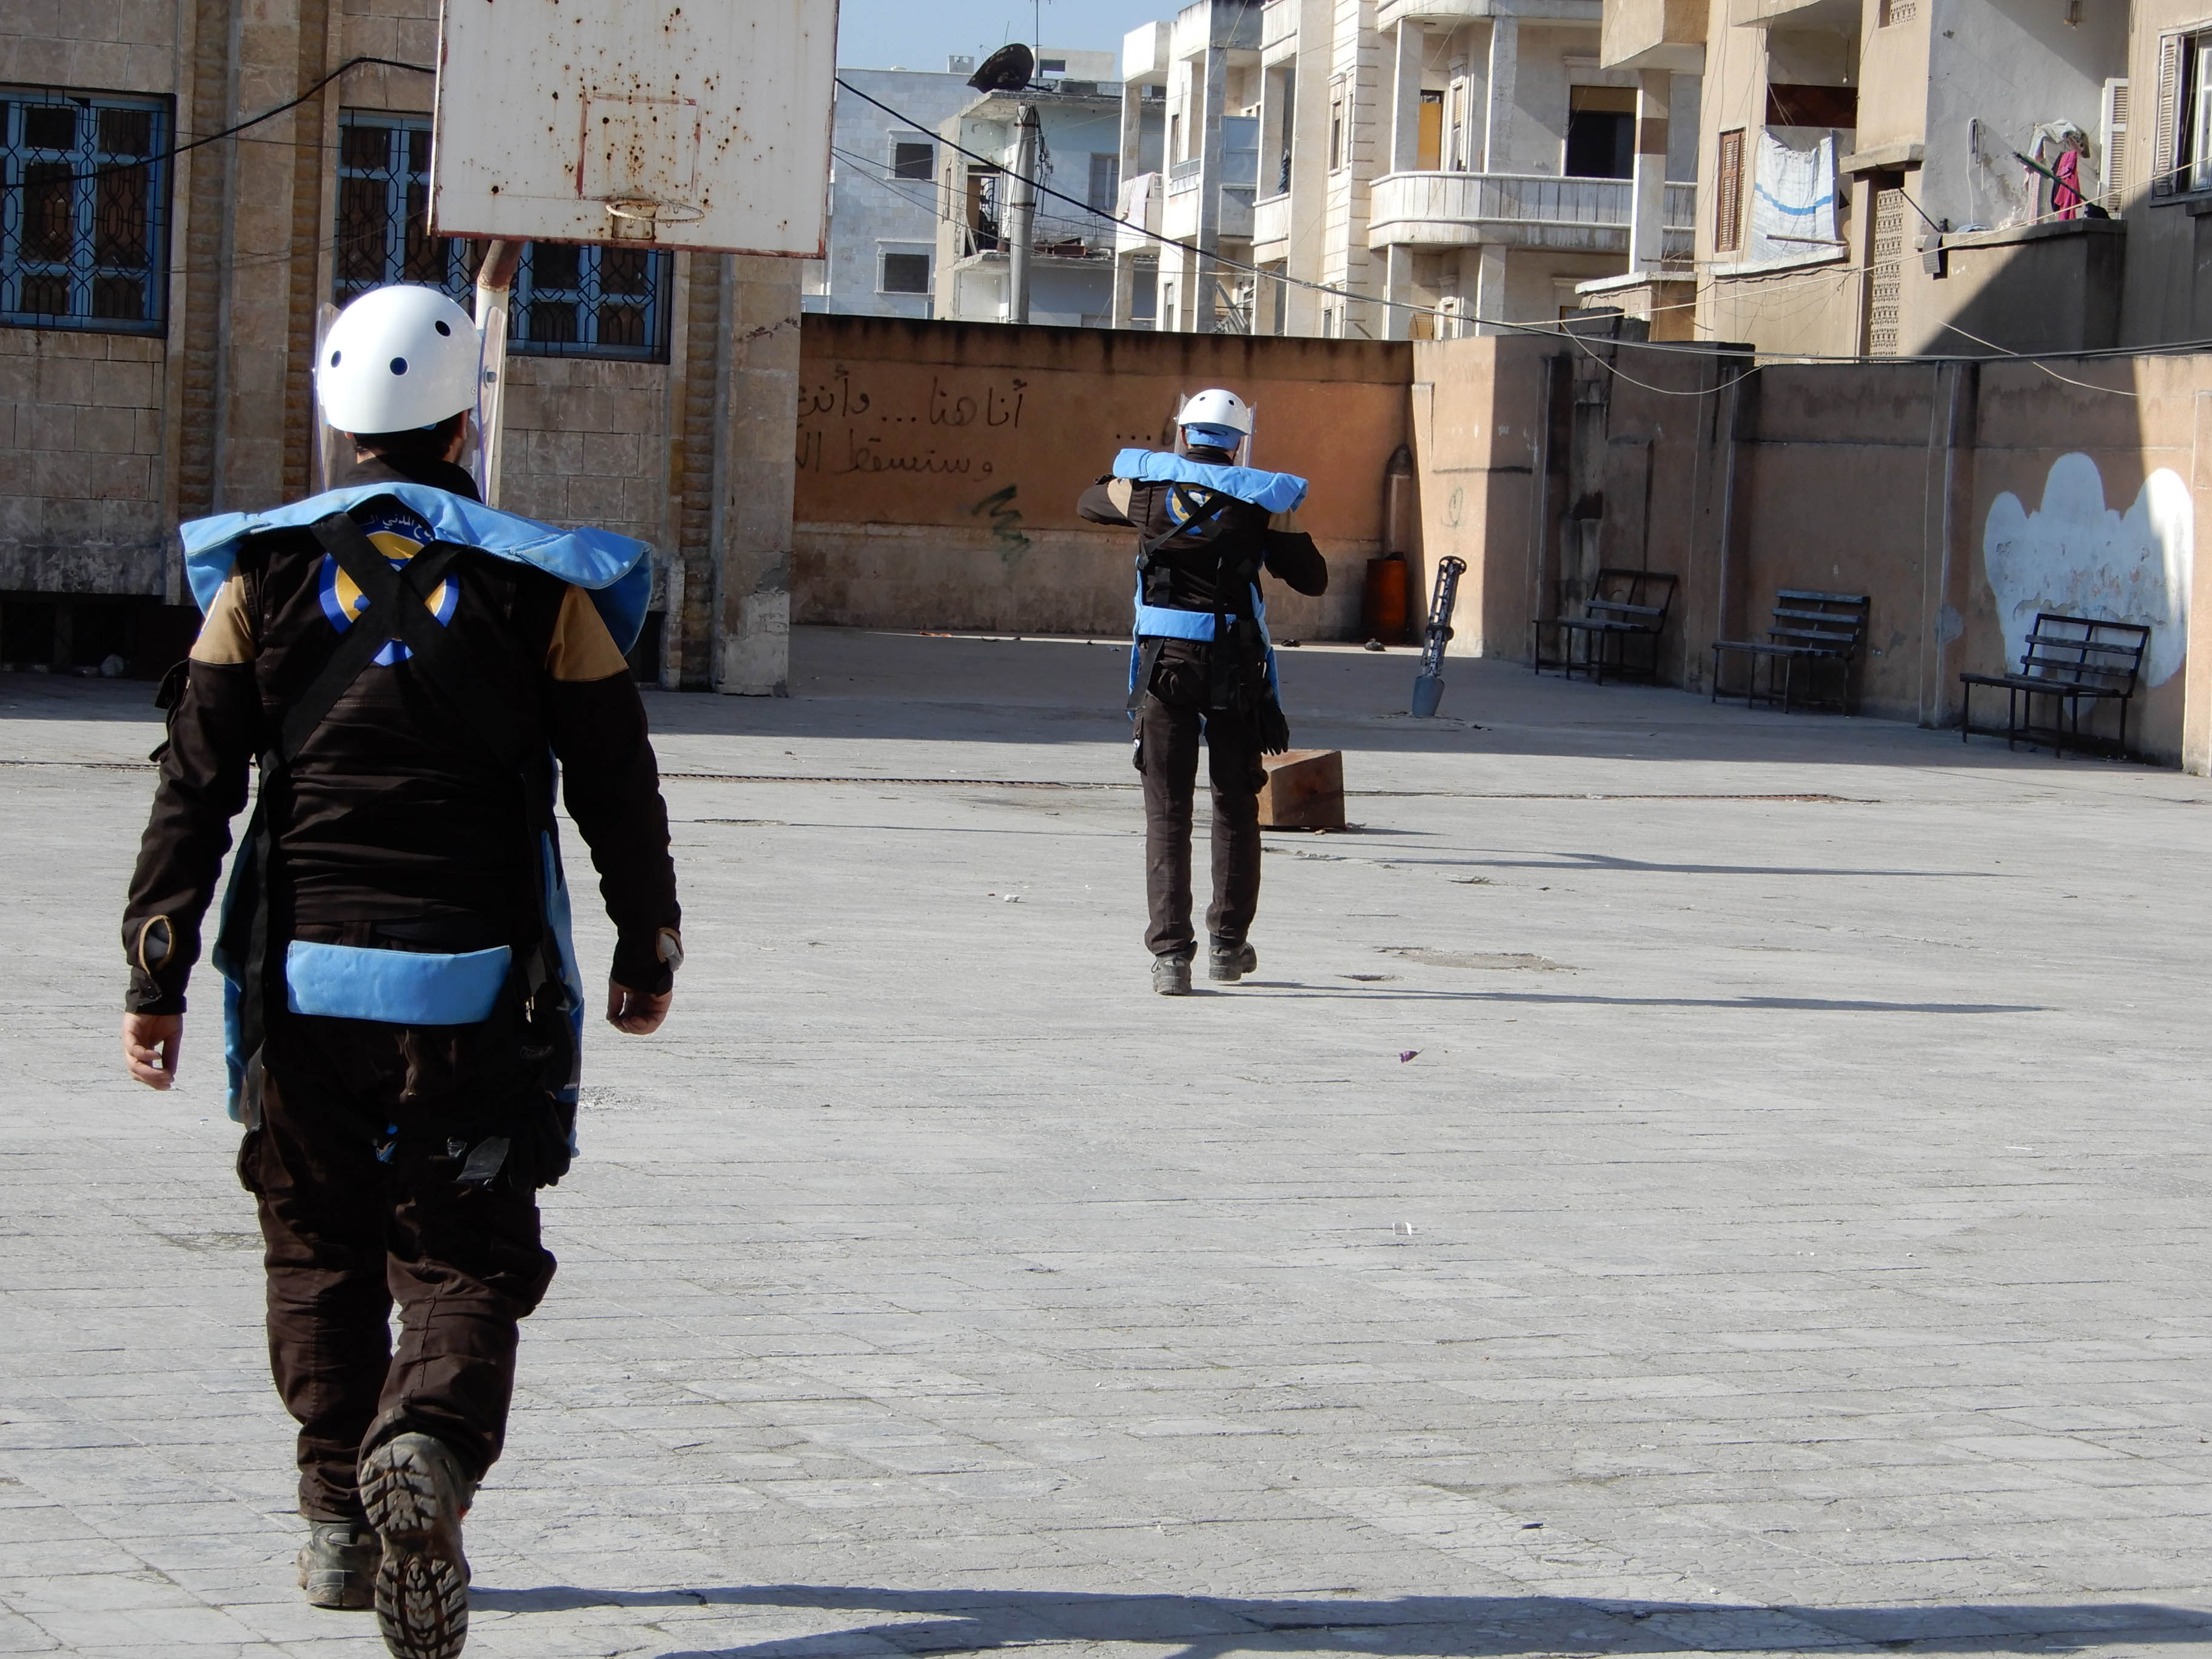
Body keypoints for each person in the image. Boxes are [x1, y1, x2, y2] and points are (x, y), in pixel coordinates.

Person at [117, 283, 681, 1659]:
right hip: (481, 987)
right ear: (465, 420)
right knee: (462, 1242)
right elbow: (618, 783)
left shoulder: (255, 577)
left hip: (300, 982)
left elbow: (193, 791)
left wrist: (156, 969)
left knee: (314, 1239)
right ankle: (425, 1435)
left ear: (335, 424)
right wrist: (645, 939)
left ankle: (333, 1521)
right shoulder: (543, 584)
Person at [1077, 389, 1327, 996]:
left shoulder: (1146, 493)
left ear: (1183, 434)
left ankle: (1170, 957)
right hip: (1237, 669)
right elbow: (1313, 580)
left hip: (1165, 667)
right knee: (1235, 804)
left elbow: (1089, 500)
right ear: (1240, 441)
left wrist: (1155, 482)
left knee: (1167, 810)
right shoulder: (1266, 500)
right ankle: (1228, 945)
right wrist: (1266, 535)